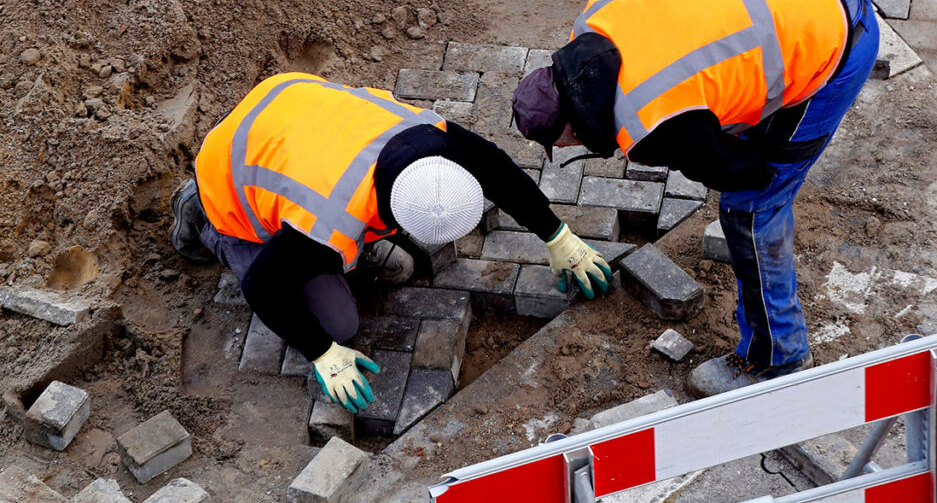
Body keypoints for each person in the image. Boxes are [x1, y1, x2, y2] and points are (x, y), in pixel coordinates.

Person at [511, 0, 880, 397]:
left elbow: (729, 169)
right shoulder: (594, 19)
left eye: (561, 142)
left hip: (837, 42)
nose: (568, 147)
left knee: (751, 207)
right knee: (744, 128)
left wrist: (768, 177)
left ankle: (778, 356)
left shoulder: (647, 124)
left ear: (571, 127)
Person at [171, 73, 611, 412]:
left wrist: (558, 236)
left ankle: (345, 255)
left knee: (396, 265)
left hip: (287, 106)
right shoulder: (328, 224)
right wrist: (322, 353)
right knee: (339, 326)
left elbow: (496, 169)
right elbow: (263, 287)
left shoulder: (432, 137)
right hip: (229, 176)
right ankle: (202, 218)